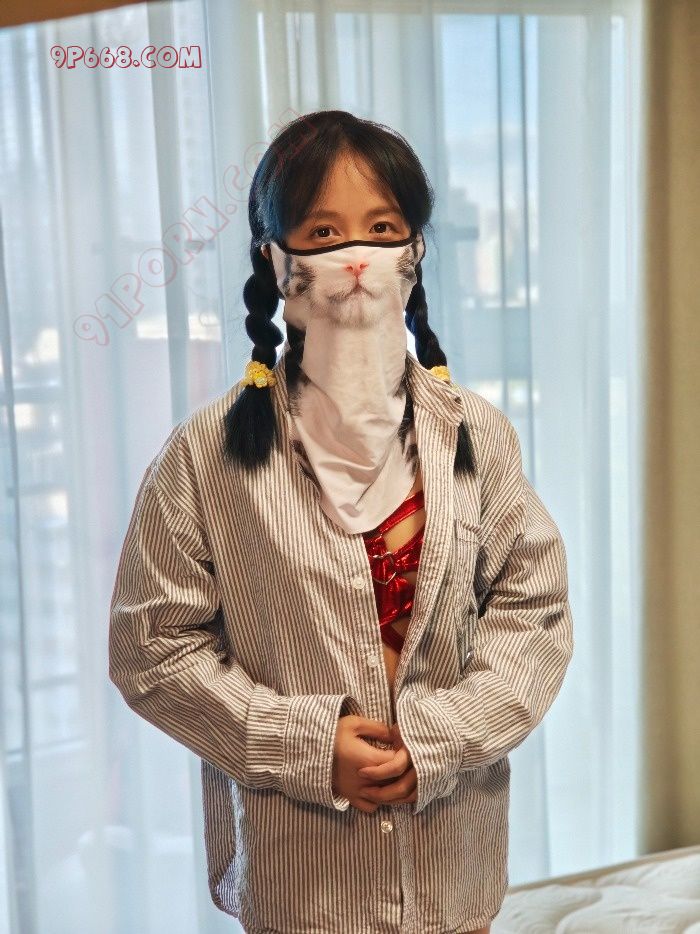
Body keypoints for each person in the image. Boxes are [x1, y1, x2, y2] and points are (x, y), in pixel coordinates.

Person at [109, 109, 574, 934]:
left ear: (415, 252)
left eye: (383, 228)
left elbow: (531, 614)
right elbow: (152, 649)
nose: (357, 256)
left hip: (454, 879)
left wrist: (439, 739)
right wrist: (310, 747)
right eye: (323, 231)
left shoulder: (477, 436)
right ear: (274, 258)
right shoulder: (203, 459)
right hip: (300, 890)